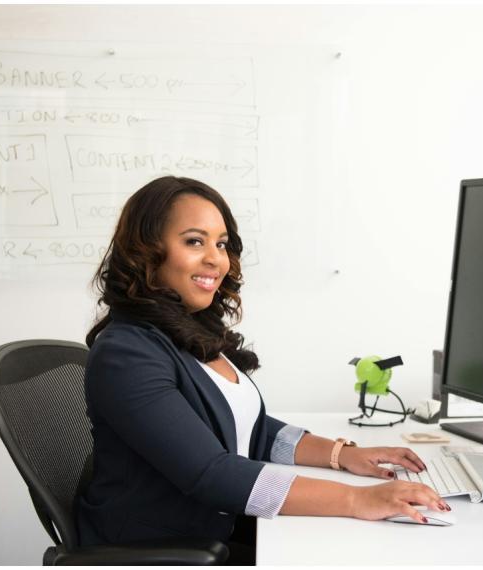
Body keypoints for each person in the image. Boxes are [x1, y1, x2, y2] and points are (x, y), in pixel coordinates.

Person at [77, 176, 448, 563]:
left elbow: (252, 429)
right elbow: (212, 474)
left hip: (211, 530)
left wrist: (342, 455)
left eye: (221, 244)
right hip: (157, 550)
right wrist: (357, 499)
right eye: (194, 241)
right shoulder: (127, 354)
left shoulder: (189, 331)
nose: (215, 259)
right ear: (146, 252)